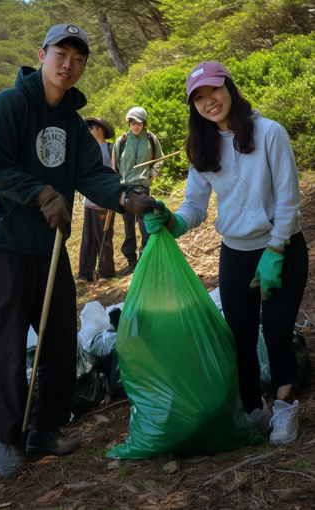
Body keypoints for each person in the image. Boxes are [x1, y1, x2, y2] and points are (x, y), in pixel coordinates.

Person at [0, 23, 163, 477]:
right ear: (42, 55)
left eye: (79, 59)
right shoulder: (10, 104)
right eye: (62, 53)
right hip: (4, 241)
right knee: (8, 335)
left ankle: (46, 427)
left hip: (51, 243)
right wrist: (41, 193)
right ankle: (8, 436)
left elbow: (90, 175)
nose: (69, 64)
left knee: (60, 332)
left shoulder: (75, 126)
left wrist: (124, 197)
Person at [144, 61, 308, 445]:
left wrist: (276, 248)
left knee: (279, 333)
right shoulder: (202, 147)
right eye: (198, 98)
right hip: (235, 253)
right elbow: (195, 207)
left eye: (214, 90)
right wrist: (170, 222)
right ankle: (254, 411)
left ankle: (285, 411)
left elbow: (289, 200)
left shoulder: (270, 133)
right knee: (240, 336)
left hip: (282, 248)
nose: (209, 101)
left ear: (230, 88)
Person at [113, 107, 164, 275]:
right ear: (129, 122)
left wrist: (153, 173)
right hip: (125, 190)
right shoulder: (121, 141)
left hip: (142, 189)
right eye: (133, 123)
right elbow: (115, 168)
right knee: (129, 229)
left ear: (144, 123)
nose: (136, 126)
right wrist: (115, 186)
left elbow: (159, 159)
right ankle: (131, 262)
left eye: (139, 123)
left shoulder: (151, 139)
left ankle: (145, 259)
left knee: (144, 226)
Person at [77, 117, 116, 284]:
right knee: (88, 239)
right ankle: (85, 274)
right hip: (89, 202)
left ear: (98, 129)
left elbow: (116, 174)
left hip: (105, 202)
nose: (87, 133)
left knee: (104, 236)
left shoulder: (111, 148)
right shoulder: (86, 150)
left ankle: (105, 273)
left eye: (89, 129)